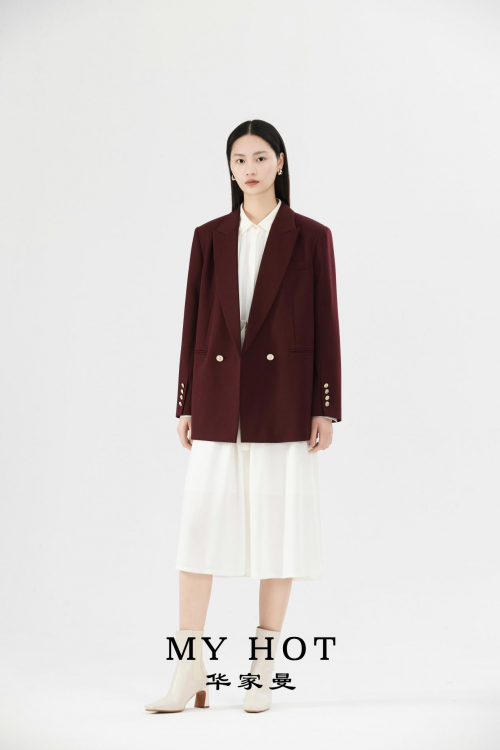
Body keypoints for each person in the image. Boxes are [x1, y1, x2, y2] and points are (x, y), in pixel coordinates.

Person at [145, 119, 341, 714]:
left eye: (259, 157)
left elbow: (326, 322)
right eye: (238, 159)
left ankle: (261, 668)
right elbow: (192, 321)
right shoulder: (208, 236)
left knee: (279, 534)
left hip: (284, 401)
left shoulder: (311, 236)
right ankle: (189, 672)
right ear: (229, 169)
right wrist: (186, 400)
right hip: (217, 397)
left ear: (280, 161)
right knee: (198, 532)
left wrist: (325, 406)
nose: (249, 169)